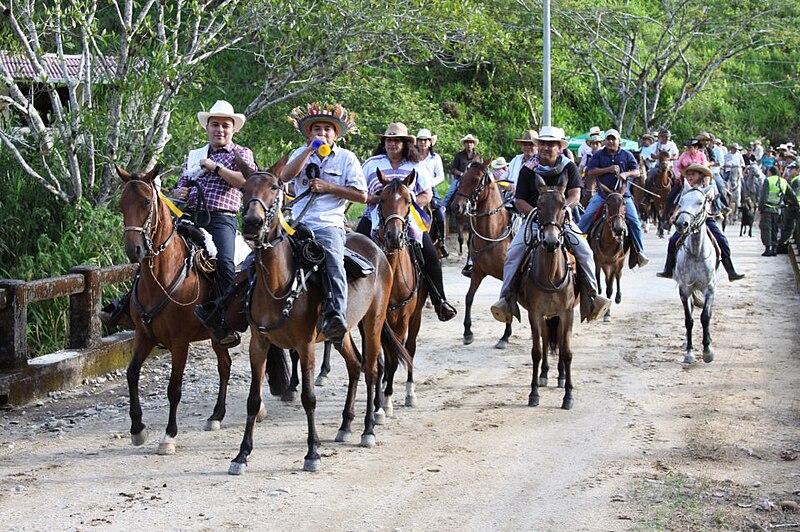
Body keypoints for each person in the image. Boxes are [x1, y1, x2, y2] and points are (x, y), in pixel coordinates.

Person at [104, 100, 256, 347]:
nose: (220, 129)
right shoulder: (195, 155)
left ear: (233, 129)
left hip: (220, 219)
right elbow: (181, 183)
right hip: (189, 215)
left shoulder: (242, 154)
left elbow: (246, 183)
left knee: (225, 263)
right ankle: (127, 307)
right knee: (153, 253)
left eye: (225, 125)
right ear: (207, 128)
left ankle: (221, 320)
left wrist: (215, 167)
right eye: (215, 125)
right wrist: (180, 191)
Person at [489, 126, 611, 324]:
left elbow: (575, 195)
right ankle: (507, 300)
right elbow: (520, 200)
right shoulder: (528, 170)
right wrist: (537, 213)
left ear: (559, 147)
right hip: (535, 221)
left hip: (562, 221)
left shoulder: (569, 167)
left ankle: (592, 296)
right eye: (543, 144)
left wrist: (560, 211)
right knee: (513, 254)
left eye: (551, 144)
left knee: (585, 251)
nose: (546, 148)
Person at [279, 102, 368, 345]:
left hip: (328, 223)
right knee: (266, 252)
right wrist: (308, 152)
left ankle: (335, 314)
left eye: (327, 130)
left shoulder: (347, 158)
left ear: (336, 135)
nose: (322, 133)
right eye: (316, 129)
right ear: (309, 133)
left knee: (333, 260)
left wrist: (329, 187)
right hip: (296, 222)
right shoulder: (300, 153)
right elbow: (284, 177)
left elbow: (362, 195)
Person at [359, 122, 457, 321]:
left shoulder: (416, 165)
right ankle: (347, 301)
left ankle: (440, 300)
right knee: (353, 248)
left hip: (407, 217)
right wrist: (374, 199)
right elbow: (360, 190)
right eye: (389, 140)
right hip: (375, 214)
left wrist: (406, 204)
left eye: (397, 140)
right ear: (384, 142)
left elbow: (427, 194)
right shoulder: (371, 163)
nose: (392, 144)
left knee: (429, 254)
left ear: (405, 143)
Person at [655, 164, 745, 281]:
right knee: (673, 240)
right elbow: (681, 202)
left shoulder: (710, 186)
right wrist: (675, 214)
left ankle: (731, 271)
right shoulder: (687, 188)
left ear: (701, 175)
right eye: (688, 175)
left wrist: (709, 190)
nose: (690, 177)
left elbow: (711, 194)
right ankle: (668, 269)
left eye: (693, 174)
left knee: (721, 240)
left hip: (706, 219)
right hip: (689, 221)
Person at [578, 128, 649, 268]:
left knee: (634, 221)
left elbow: (637, 171)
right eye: (608, 139)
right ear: (605, 141)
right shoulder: (598, 155)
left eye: (613, 139)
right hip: (602, 195)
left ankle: (640, 252)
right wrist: (608, 170)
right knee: (586, 217)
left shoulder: (627, 155)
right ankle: (577, 248)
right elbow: (590, 171)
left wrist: (626, 174)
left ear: (619, 141)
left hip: (622, 196)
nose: (611, 141)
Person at [416, 128, 449, 257]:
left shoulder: (435, 158)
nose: (423, 142)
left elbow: (441, 176)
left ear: (430, 142)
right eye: (420, 140)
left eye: (425, 140)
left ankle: (441, 241)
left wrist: (429, 183)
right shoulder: (412, 156)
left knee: (439, 211)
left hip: (430, 187)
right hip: (415, 187)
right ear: (417, 142)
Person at [758, 166, 792, 256]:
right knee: (775, 229)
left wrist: (760, 208)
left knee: (766, 228)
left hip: (767, 208)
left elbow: (763, 196)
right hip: (778, 209)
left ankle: (767, 249)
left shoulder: (768, 180)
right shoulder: (783, 181)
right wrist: (793, 204)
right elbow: (791, 194)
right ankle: (774, 248)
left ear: (770, 172)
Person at [444, 134, 482, 210]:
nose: (469, 144)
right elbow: (453, 169)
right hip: (460, 180)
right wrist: (462, 174)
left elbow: (481, 170)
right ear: (464, 144)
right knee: (450, 193)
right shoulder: (459, 155)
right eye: (467, 142)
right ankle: (443, 208)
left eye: (471, 142)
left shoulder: (478, 156)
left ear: (474, 144)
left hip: (473, 181)